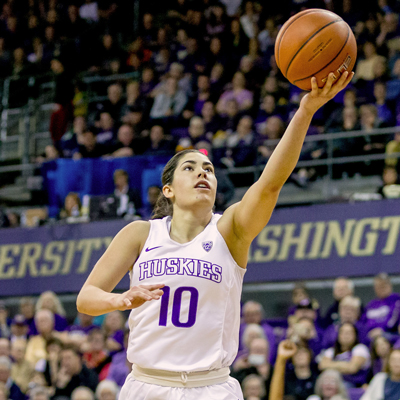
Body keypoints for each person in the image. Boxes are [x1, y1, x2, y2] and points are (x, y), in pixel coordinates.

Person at [77, 71, 354, 399]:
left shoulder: (230, 229)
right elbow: (86, 299)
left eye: (208, 169)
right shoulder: (139, 233)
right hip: (147, 385)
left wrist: (305, 110)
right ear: (168, 189)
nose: (202, 173)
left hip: (210, 387)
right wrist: (120, 300)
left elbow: (270, 183)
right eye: (190, 168)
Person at [319, 323, 371, 388]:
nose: (346, 335)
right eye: (343, 332)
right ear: (338, 335)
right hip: (333, 385)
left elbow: (352, 368)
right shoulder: (331, 351)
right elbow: (322, 366)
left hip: (355, 386)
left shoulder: (360, 349)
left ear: (355, 335)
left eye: (349, 333)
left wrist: (331, 366)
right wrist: (345, 365)